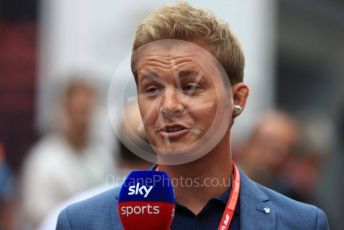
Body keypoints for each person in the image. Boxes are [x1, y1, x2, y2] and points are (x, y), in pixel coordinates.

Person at [56, 3, 329, 229]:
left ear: (237, 99)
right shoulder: (83, 222)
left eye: (190, 86)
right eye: (152, 89)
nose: (169, 105)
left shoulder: (302, 223)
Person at [20, 77, 114, 229]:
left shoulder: (103, 155)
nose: (81, 120)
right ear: (64, 110)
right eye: (77, 111)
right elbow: (38, 215)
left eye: (86, 111)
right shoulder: (43, 159)